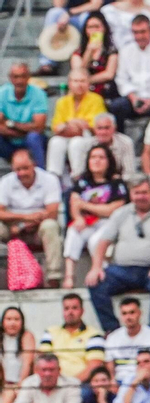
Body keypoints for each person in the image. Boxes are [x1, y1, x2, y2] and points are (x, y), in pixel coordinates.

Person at [86, 178, 150, 335]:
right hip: (121, 270)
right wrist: (96, 267)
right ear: (131, 194)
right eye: (137, 193)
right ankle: (112, 331)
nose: (141, 196)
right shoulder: (121, 213)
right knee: (95, 283)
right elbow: (102, 243)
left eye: (144, 192)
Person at [0, 149, 65, 288]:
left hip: (38, 227)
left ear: (34, 165)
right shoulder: (6, 181)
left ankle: (54, 276)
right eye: (18, 169)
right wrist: (25, 218)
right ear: (12, 168)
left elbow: (52, 212)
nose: (22, 173)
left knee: (50, 226)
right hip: (12, 227)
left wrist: (28, 223)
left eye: (25, 168)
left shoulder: (49, 179)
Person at [103, 296, 150, 381]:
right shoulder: (113, 337)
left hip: (145, 381)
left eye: (132, 312)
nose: (128, 317)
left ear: (140, 313)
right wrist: (112, 381)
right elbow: (109, 363)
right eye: (124, 313)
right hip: (119, 381)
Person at [1, 62, 50, 169]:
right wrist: (24, 130)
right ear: (10, 78)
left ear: (29, 77)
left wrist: (11, 123)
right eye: (16, 77)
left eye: (23, 76)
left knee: (33, 137)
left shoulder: (38, 94)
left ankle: (40, 173)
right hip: (9, 141)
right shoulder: (2, 93)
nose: (19, 81)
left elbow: (39, 127)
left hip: (30, 140)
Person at [8, 353, 82, 403]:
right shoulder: (29, 382)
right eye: (44, 370)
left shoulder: (72, 383)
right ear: (36, 370)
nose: (47, 374)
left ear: (59, 370)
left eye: (51, 370)